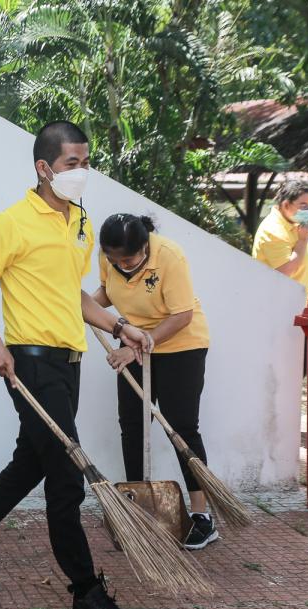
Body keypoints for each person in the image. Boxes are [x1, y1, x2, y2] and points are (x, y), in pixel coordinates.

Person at [0, 121, 153, 609]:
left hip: (69, 362)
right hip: (29, 363)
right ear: (44, 167)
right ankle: (86, 593)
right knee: (66, 478)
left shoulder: (80, 219)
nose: (82, 172)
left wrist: (123, 327)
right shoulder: (11, 223)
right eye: (72, 164)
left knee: (30, 463)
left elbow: (73, 295)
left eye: (85, 162)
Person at [93, 213, 217, 550]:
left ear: (145, 247)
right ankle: (139, 506)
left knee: (181, 426)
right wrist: (86, 306)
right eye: (113, 259)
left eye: (128, 259)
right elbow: (106, 291)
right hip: (133, 340)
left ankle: (202, 516)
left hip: (180, 345)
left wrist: (137, 350)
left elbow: (182, 315)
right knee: (133, 425)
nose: (121, 265)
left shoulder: (169, 256)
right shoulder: (111, 258)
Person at [252, 178, 308, 301]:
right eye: (303, 205)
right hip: (278, 306)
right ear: (286, 205)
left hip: (297, 303)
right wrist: (303, 242)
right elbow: (284, 272)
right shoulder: (273, 230)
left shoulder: (296, 224)